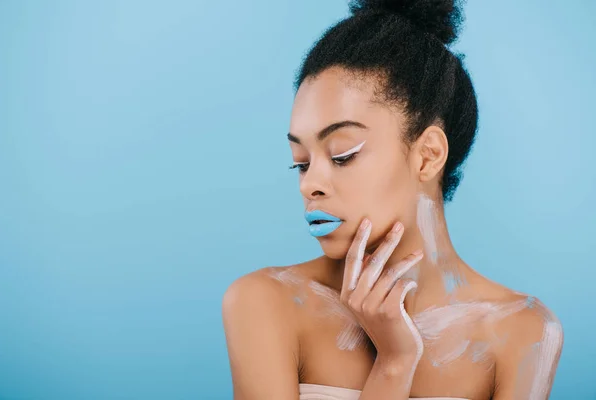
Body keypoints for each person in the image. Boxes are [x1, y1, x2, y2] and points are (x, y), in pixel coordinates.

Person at [222, 0, 564, 399]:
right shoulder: (266, 303)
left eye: (342, 155)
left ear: (428, 155)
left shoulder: (524, 332)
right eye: (301, 162)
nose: (309, 184)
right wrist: (394, 363)